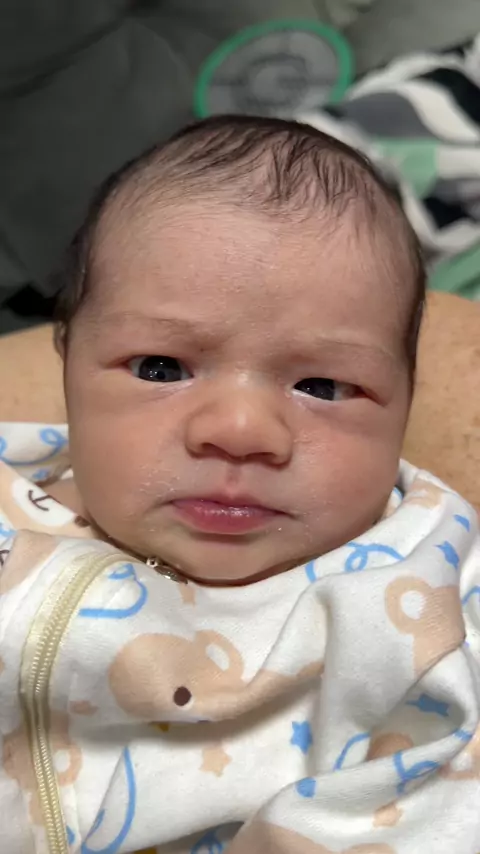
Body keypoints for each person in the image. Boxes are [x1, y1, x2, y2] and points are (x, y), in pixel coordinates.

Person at [0, 116, 478, 854]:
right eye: (161, 368)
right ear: (65, 363)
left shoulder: (427, 584)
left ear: (409, 403)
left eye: (322, 386)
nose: (240, 429)